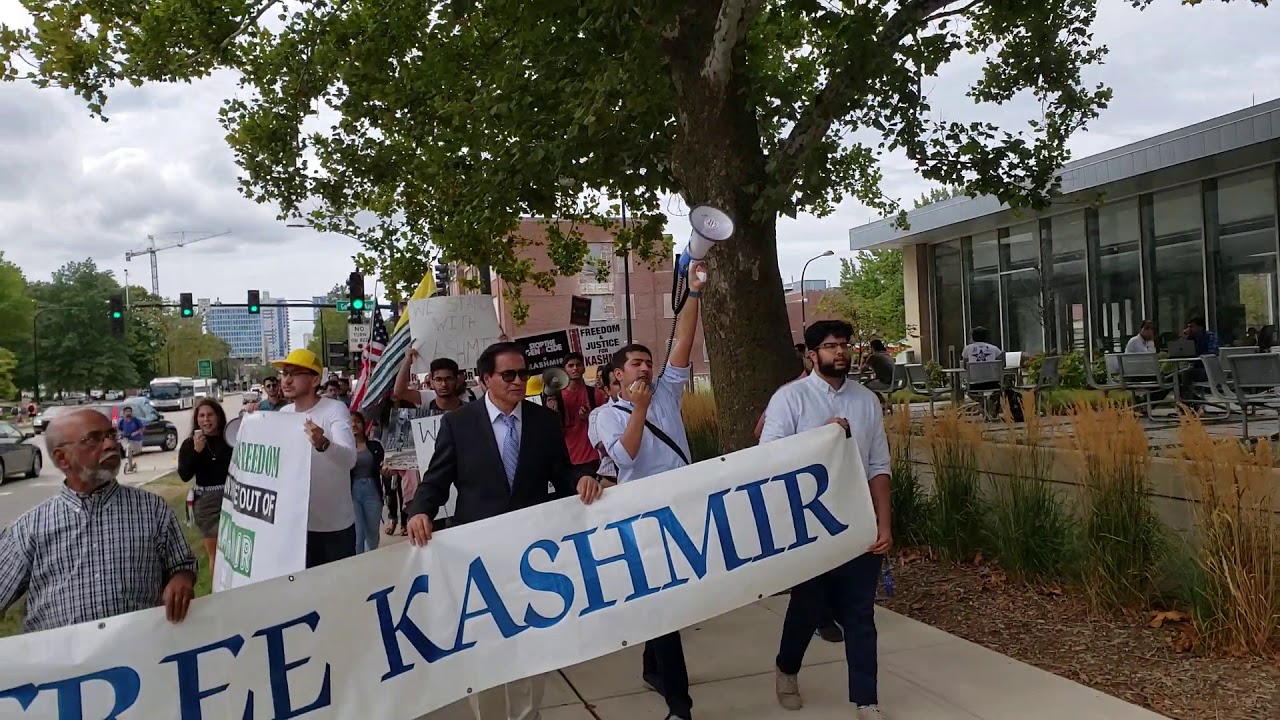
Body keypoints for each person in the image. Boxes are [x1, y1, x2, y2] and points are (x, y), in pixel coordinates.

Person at [405, 341, 602, 720]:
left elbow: (560, 473)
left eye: (522, 373)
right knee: (485, 644)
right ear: (485, 379)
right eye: (508, 374)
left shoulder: (543, 421)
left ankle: (528, 716)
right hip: (477, 555)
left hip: (532, 554)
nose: (518, 381)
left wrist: (581, 480)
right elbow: (436, 480)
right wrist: (419, 511)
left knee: (531, 641)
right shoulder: (459, 423)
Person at [761, 319, 892, 720]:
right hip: (810, 526)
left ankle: (865, 700)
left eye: (845, 346)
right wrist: (822, 437)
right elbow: (770, 457)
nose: (841, 352)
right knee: (807, 606)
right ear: (811, 354)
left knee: (860, 615)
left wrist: (883, 523)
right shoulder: (791, 399)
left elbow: (878, 464)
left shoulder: (866, 401)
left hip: (858, 523)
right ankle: (787, 669)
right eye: (831, 346)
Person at [595, 260, 708, 720]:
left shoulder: (666, 391)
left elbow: (682, 341)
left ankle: (652, 667)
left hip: (680, 506)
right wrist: (638, 410)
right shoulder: (605, 415)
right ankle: (679, 704)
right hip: (642, 517)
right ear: (617, 376)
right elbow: (624, 458)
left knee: (664, 602)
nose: (645, 366)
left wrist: (695, 292)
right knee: (666, 609)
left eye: (647, 360)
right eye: (635, 363)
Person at [0, 409, 196, 632]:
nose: (110, 445)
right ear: (62, 458)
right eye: (93, 439)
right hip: (61, 662)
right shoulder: (30, 529)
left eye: (111, 435)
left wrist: (182, 579)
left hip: (140, 655)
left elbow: (182, 565)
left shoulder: (152, 509)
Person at [270, 349, 359, 568]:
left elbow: (349, 459)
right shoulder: (283, 414)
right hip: (296, 526)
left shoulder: (335, 410)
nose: (286, 380)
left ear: (315, 380)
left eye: (295, 373)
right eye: (284, 373)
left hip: (334, 526)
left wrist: (324, 443)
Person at [177, 398, 232, 563]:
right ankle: (218, 589)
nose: (206, 420)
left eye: (210, 415)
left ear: (218, 416)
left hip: (232, 496)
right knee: (215, 553)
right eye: (201, 416)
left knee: (233, 550)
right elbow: (185, 475)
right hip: (207, 502)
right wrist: (196, 452)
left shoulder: (229, 439)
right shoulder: (189, 444)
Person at [545, 352, 608, 478]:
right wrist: (554, 413)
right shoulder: (556, 398)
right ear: (564, 370)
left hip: (593, 457)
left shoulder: (595, 394)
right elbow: (551, 432)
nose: (575, 368)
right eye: (570, 365)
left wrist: (591, 417)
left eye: (578, 365)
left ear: (584, 368)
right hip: (568, 459)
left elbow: (606, 423)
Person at [350, 409, 385, 554]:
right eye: (350, 422)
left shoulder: (374, 446)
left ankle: (372, 560)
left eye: (357, 421)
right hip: (352, 492)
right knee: (358, 534)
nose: (354, 425)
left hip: (372, 489)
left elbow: (383, 466)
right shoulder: (345, 448)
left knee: (372, 533)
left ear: (363, 424)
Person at [587, 362, 621, 486]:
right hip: (612, 479)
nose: (622, 386)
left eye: (624, 380)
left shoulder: (643, 408)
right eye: (616, 383)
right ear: (607, 389)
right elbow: (602, 446)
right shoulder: (598, 414)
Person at [117, 404, 146, 473]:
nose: (128, 413)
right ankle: (130, 465)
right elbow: (118, 429)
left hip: (135, 440)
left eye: (129, 411)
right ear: (124, 413)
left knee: (130, 449)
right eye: (127, 411)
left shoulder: (135, 420)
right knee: (128, 447)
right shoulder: (122, 421)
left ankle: (131, 464)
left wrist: (135, 433)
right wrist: (121, 433)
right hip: (126, 438)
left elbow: (142, 428)